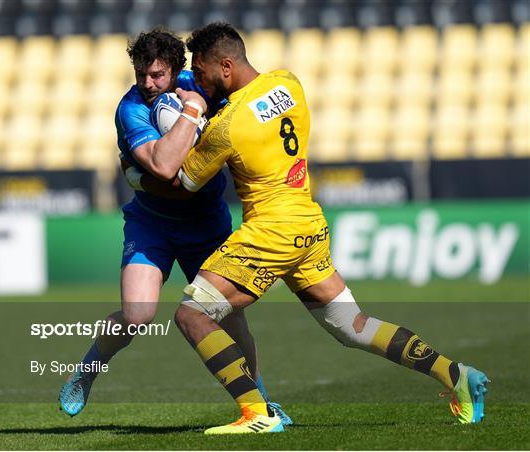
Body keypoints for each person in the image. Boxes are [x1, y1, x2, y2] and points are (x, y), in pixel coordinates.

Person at [140, 22, 490, 435]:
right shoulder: (289, 82)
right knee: (352, 326)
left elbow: (181, 181)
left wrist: (168, 137)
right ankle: (456, 375)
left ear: (226, 67)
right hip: (308, 223)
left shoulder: (227, 126)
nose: (196, 80)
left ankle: (258, 413)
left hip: (270, 232)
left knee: (193, 314)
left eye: (200, 72)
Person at [58, 28, 291, 425]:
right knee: (137, 316)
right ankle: (87, 370)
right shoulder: (131, 109)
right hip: (153, 224)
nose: (148, 84)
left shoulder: (199, 84)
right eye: (141, 74)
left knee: (231, 319)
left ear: (178, 71)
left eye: (157, 75)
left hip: (207, 222)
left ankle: (260, 401)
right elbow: (165, 168)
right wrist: (192, 112)